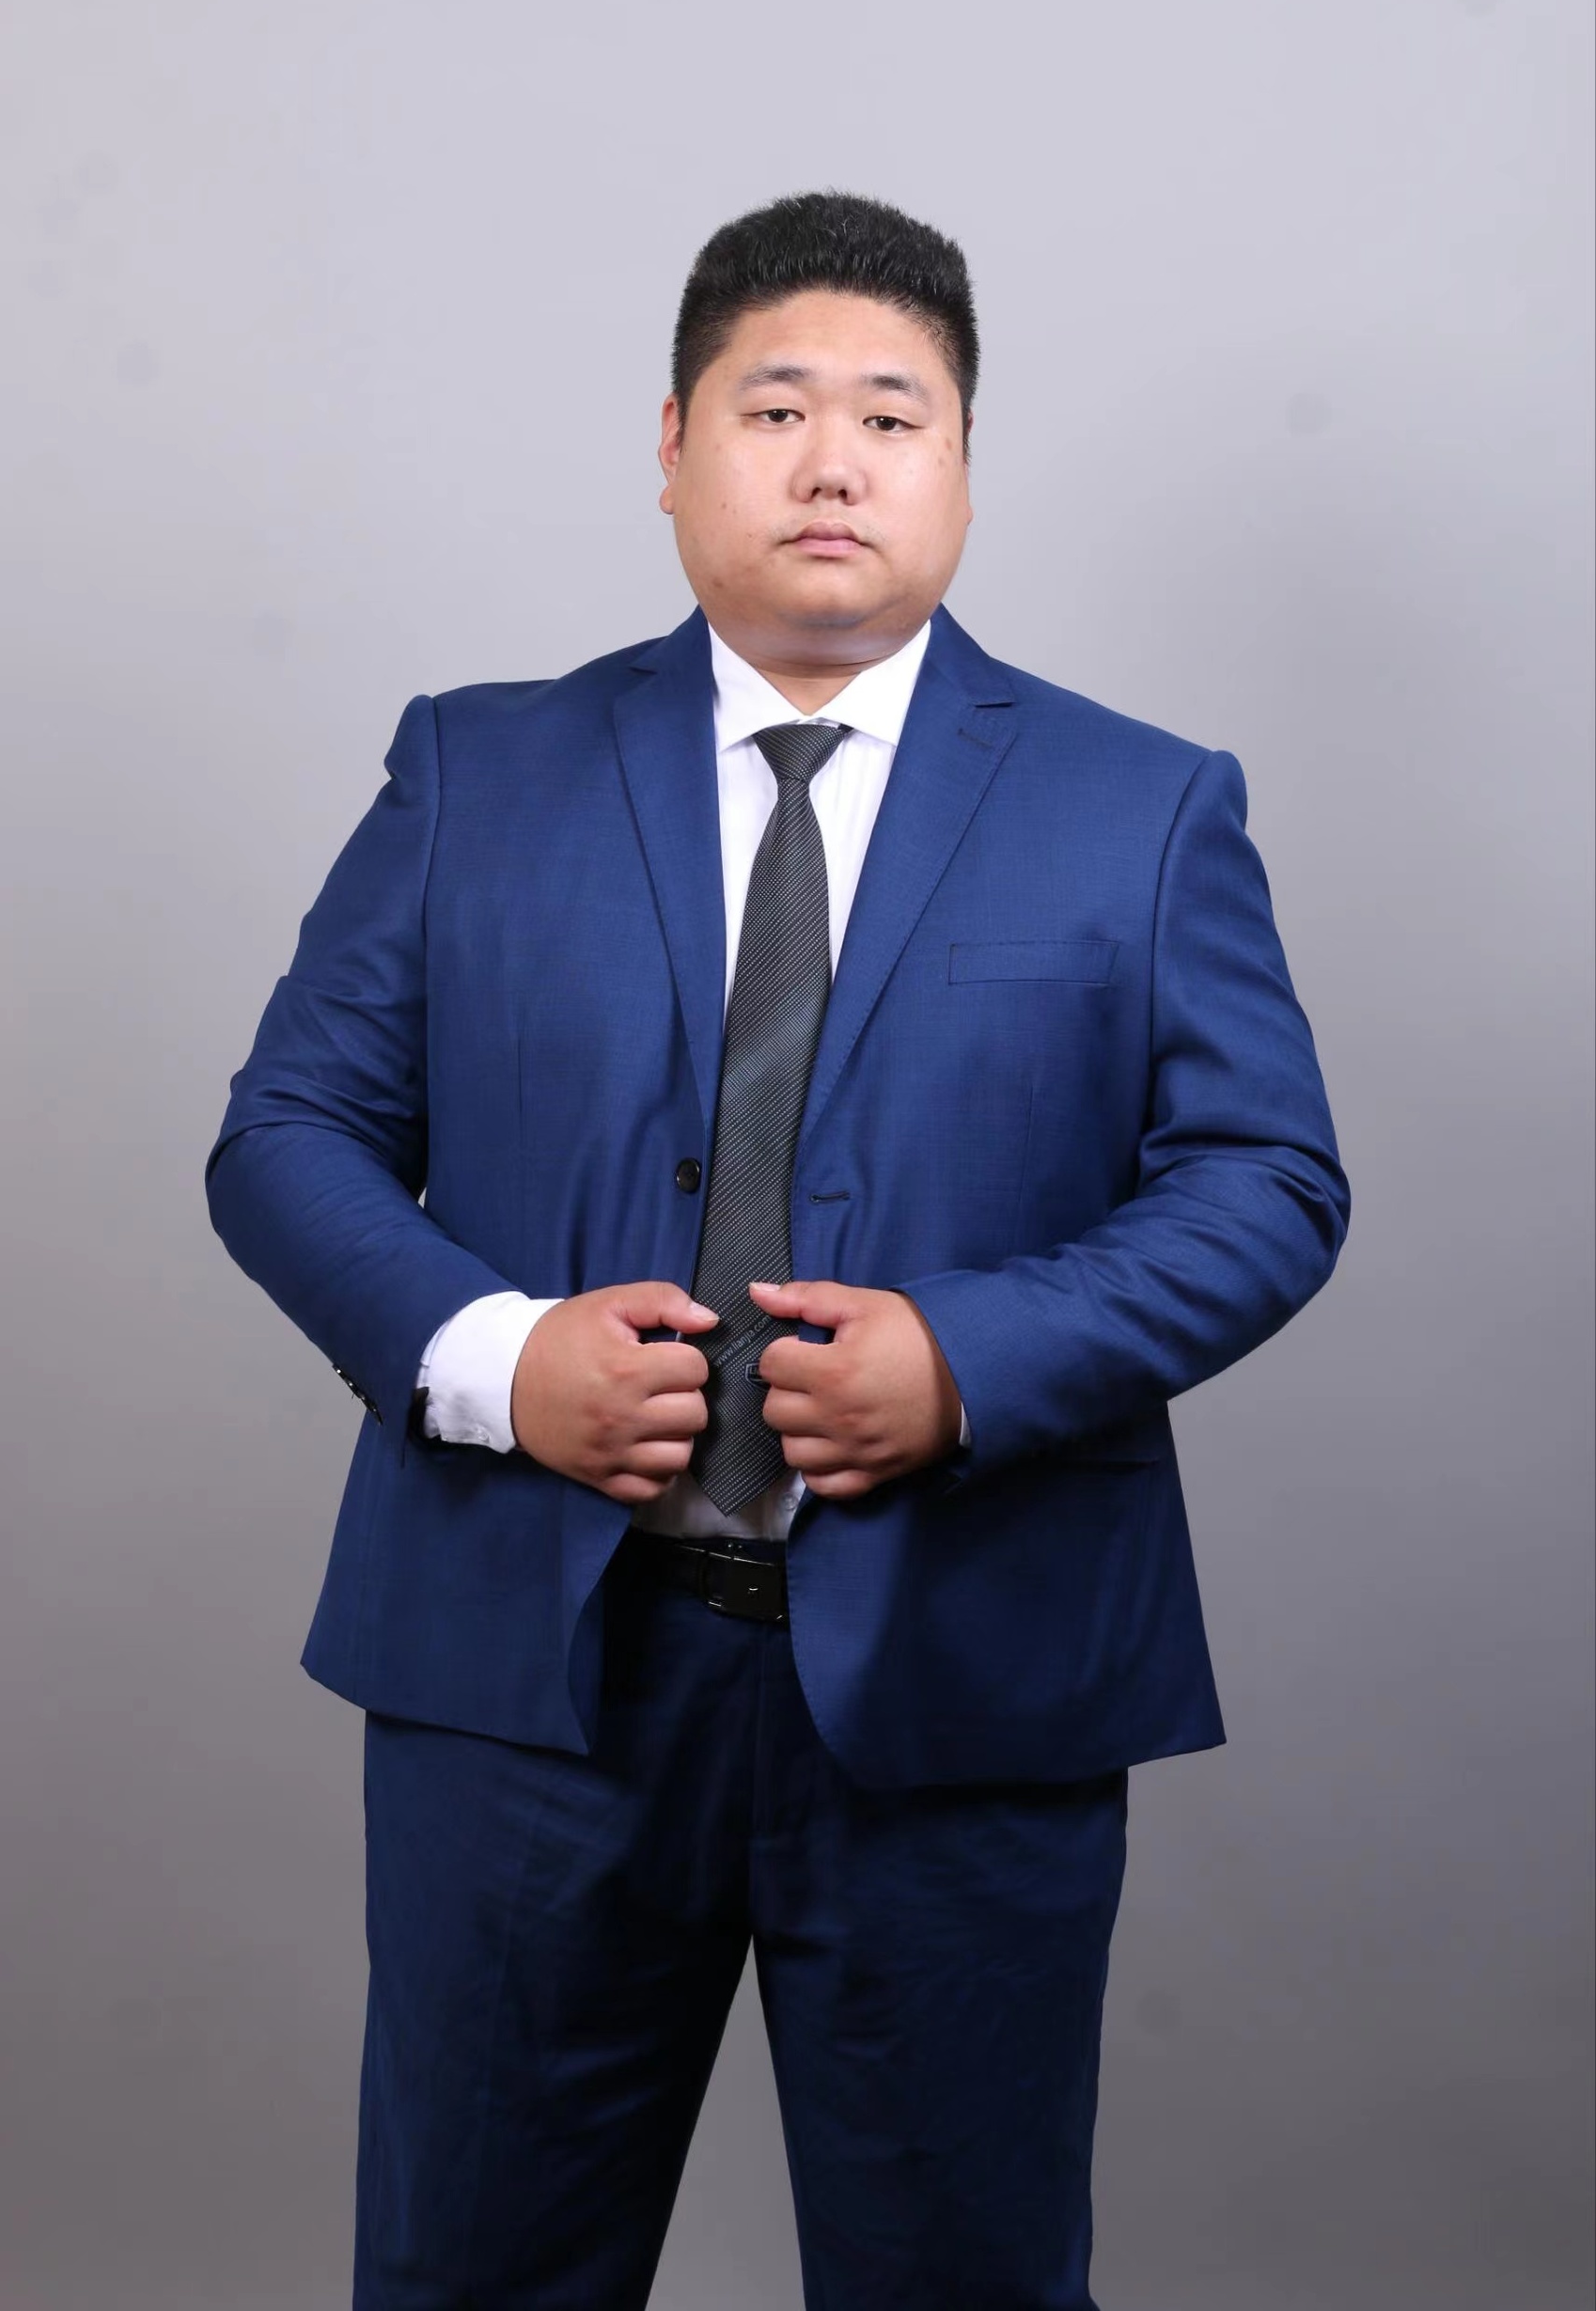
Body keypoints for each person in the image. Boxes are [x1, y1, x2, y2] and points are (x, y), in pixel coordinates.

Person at [207, 190, 1350, 2311]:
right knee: (468, 2275)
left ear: (964, 469)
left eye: (893, 418)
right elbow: (287, 1133)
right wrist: (496, 1359)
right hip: (529, 1684)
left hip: (968, 1673)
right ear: (671, 447)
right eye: (776, 407)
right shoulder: (476, 767)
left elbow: (1268, 1180)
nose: (835, 462)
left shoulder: (1142, 804)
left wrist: (973, 1361)